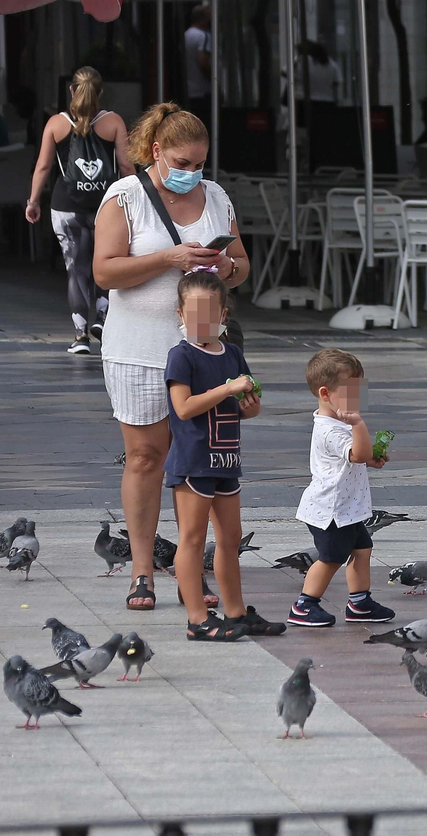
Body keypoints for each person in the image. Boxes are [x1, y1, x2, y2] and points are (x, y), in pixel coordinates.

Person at [91, 103, 251, 614]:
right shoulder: (125, 196)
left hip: (203, 352)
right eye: (181, 163)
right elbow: (104, 272)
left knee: (194, 459)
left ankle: (188, 570)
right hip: (138, 349)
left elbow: (242, 265)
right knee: (145, 457)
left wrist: (225, 265)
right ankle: (142, 569)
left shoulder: (216, 196)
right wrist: (170, 258)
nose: (191, 172)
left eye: (199, 163)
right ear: (156, 151)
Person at [163, 270, 284, 640]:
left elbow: (246, 407)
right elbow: (183, 408)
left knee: (231, 538)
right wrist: (227, 389)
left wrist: (250, 406)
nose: (201, 321)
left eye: (209, 313)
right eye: (193, 313)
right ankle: (197, 618)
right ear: (180, 315)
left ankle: (236, 612)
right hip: (193, 462)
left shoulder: (232, 354)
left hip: (226, 460)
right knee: (192, 538)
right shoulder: (181, 356)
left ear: (223, 315)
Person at [26, 67, 136, 355]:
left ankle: (80, 336)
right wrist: (138, 199)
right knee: (107, 262)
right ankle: (102, 317)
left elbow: (43, 167)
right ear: (100, 92)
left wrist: (33, 201)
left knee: (76, 269)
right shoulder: (113, 122)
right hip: (106, 206)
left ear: (72, 91)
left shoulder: (55, 124)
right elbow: (126, 166)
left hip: (66, 207)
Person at [288, 348, 394, 628]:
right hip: (331, 510)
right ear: (325, 394)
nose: (357, 399)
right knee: (331, 558)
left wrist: (371, 456)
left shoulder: (338, 422)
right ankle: (304, 605)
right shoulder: (330, 429)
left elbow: (357, 456)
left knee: (362, 549)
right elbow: (356, 454)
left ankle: (359, 602)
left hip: (347, 509)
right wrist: (359, 425)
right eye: (351, 392)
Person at [183, 6, 213, 126]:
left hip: (188, 90)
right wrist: (214, 83)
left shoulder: (185, 35)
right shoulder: (203, 36)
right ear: (203, 20)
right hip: (202, 91)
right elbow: (203, 63)